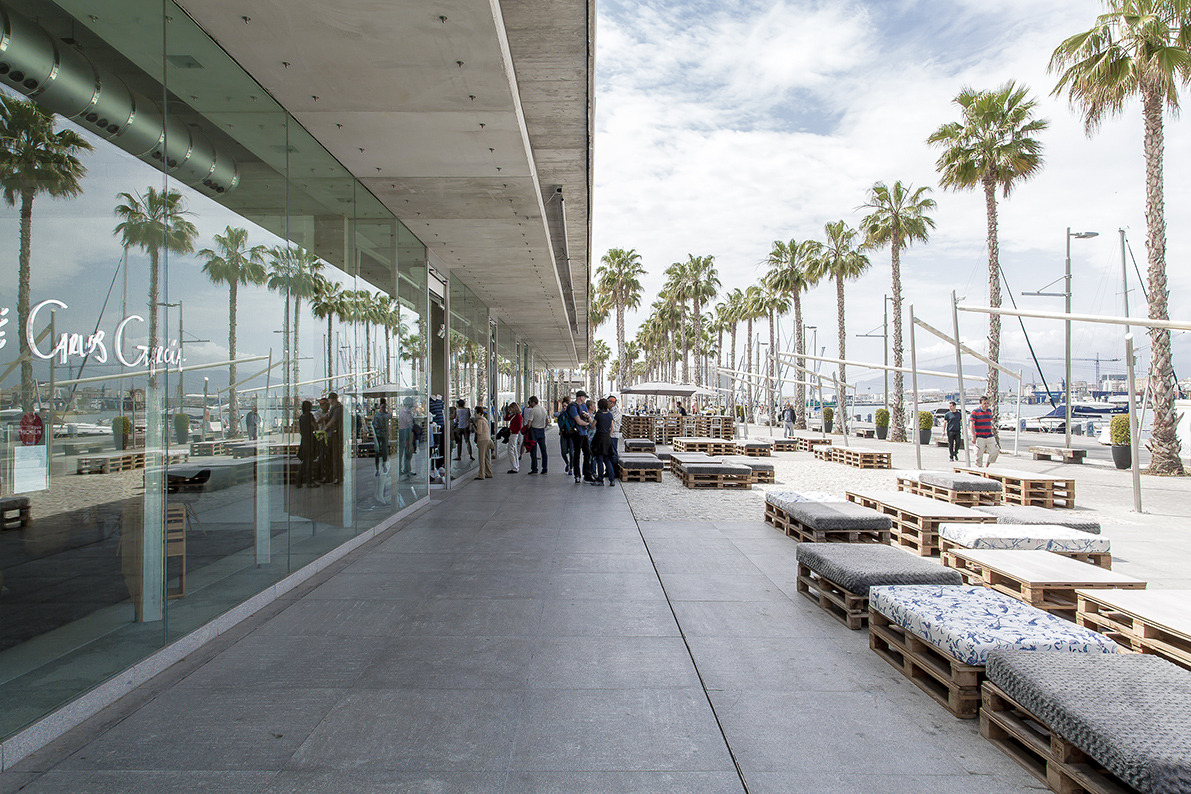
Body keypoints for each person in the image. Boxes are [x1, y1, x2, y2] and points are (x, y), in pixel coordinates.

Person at [568, 391, 593, 483]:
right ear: (579, 397)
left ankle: (587, 474)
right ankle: (577, 475)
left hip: (584, 433)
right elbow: (578, 421)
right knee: (577, 454)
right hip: (577, 433)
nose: (585, 399)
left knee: (587, 453)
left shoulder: (584, 406)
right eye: (584, 397)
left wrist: (588, 417)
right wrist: (588, 423)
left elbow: (590, 419)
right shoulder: (572, 407)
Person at [591, 398, 617, 486]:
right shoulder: (610, 415)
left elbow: (592, 426)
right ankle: (612, 479)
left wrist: (589, 421)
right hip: (607, 438)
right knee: (607, 459)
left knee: (600, 459)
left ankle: (600, 479)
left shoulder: (598, 415)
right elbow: (612, 428)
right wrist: (608, 436)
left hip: (599, 438)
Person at [295, 400, 319, 488]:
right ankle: (309, 481)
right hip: (310, 440)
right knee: (309, 461)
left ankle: (299, 479)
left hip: (304, 440)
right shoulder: (310, 416)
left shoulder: (301, 417)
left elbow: (300, 430)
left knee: (305, 461)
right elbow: (315, 426)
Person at [971, 395, 999, 467]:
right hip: (979, 436)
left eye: (987, 403)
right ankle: (979, 468)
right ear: (981, 403)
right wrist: (973, 436)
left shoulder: (989, 412)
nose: (986, 405)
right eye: (984, 403)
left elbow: (990, 422)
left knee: (995, 451)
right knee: (979, 454)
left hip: (989, 435)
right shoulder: (975, 412)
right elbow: (971, 424)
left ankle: (987, 465)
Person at [322, 392, 344, 484]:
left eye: (329, 399)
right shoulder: (334, 408)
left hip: (335, 434)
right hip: (332, 434)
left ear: (332, 399)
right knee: (331, 456)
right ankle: (332, 476)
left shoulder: (338, 408)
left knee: (336, 456)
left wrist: (325, 427)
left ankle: (337, 477)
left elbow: (334, 420)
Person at [525, 395, 550, 475]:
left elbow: (529, 422)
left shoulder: (533, 410)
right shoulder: (543, 409)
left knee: (533, 450)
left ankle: (534, 468)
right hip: (541, 430)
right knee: (543, 450)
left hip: (534, 431)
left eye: (530, 402)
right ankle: (545, 468)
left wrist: (527, 428)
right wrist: (543, 426)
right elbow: (547, 421)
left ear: (533, 402)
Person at [472, 405, 493, 479]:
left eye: (475, 413)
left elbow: (479, 432)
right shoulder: (485, 420)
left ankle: (481, 474)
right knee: (487, 457)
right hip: (487, 439)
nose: (474, 414)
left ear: (479, 413)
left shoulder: (480, 421)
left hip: (482, 440)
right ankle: (489, 472)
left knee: (481, 458)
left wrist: (474, 428)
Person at [372, 398, 391, 476]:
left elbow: (389, 416)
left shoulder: (385, 415)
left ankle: (383, 464)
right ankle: (378, 468)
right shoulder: (378, 415)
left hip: (383, 434)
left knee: (384, 450)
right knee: (378, 451)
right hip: (379, 434)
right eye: (382, 407)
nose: (383, 408)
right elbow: (373, 424)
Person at [556, 395, 574, 474]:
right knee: (563, 452)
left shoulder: (571, 414)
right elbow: (560, 424)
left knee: (571, 452)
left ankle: (571, 468)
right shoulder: (561, 415)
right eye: (563, 406)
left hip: (571, 434)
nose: (564, 407)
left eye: (565, 406)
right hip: (563, 434)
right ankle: (567, 463)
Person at [398, 397, 416, 477]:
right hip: (405, 431)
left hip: (402, 431)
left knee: (402, 451)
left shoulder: (401, 410)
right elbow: (409, 423)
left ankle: (402, 469)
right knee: (407, 451)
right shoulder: (406, 411)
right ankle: (407, 469)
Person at [504, 401, 522, 474]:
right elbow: (506, 418)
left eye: (511, 408)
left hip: (514, 434)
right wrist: (508, 412)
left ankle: (514, 467)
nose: (510, 409)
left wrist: (512, 430)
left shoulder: (518, 416)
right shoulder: (514, 415)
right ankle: (516, 466)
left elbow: (519, 427)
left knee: (510, 450)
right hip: (513, 434)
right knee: (514, 450)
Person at [608, 394, 622, 469]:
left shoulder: (617, 411)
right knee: (608, 454)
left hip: (613, 435)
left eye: (608, 402)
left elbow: (611, 420)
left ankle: (615, 471)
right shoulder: (608, 410)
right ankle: (609, 471)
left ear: (612, 403)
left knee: (613, 453)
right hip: (608, 434)